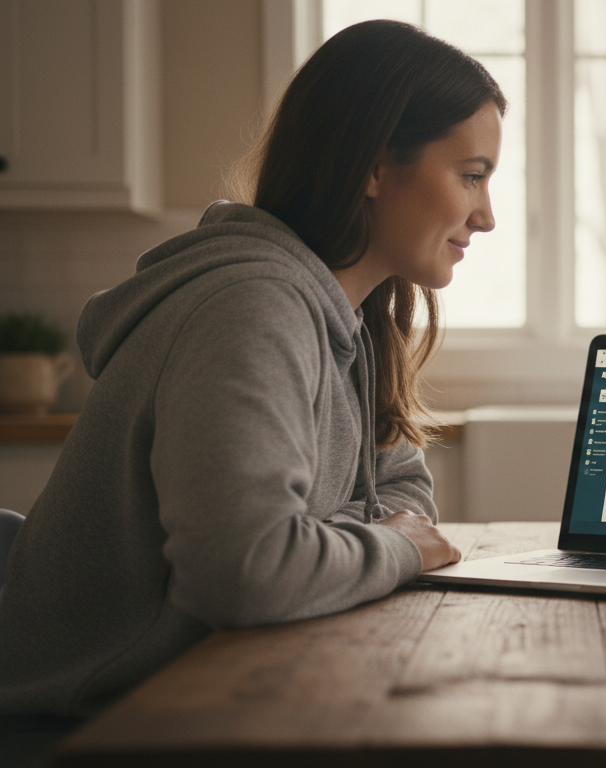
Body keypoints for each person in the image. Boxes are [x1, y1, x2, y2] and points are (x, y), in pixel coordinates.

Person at [0, 20, 505, 717]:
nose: (487, 217)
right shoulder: (253, 309)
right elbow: (245, 574)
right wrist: (393, 550)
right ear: (374, 167)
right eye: (472, 176)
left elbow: (402, 496)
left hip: (194, 687)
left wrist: (370, 542)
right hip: (82, 720)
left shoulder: (353, 318)